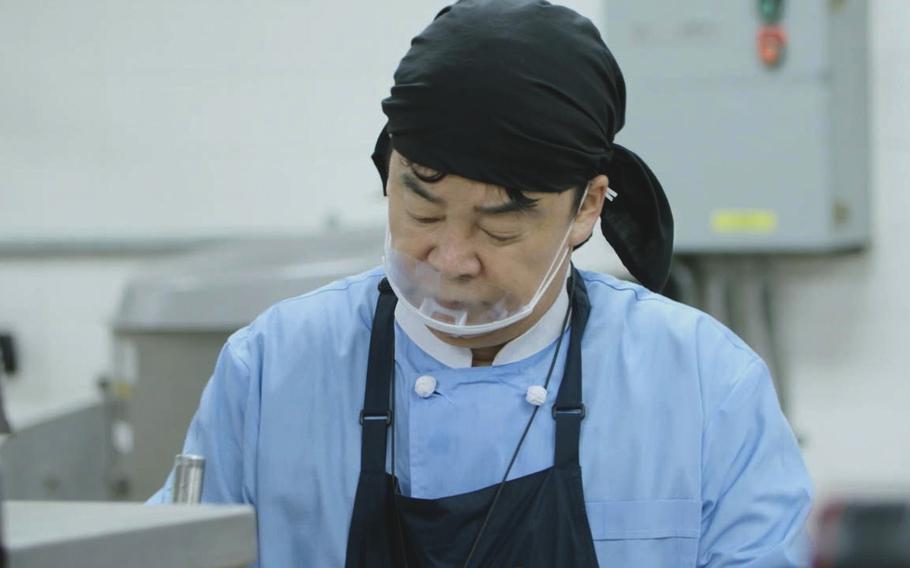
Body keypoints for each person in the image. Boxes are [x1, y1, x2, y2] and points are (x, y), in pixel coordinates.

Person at [149, 0, 813, 565]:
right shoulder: (271, 371)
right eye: (422, 208)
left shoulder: (703, 385)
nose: (451, 257)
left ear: (586, 207)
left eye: (499, 227)